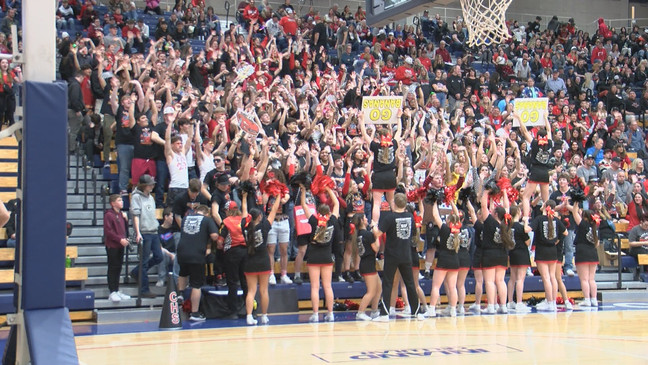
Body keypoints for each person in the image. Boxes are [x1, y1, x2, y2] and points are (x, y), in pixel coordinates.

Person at [372, 193, 424, 321]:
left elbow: (378, 233)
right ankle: (417, 311)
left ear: (394, 203)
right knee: (410, 283)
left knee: (388, 283)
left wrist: (373, 225)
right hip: (406, 255)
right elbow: (412, 234)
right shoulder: (410, 217)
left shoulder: (390, 217)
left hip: (392, 255)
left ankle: (384, 314)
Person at [300, 186, 339, 322]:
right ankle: (330, 313)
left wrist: (304, 191)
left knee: (315, 287)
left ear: (318, 212)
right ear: (328, 213)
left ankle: (315, 314)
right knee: (328, 286)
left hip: (314, 257)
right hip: (327, 257)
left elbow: (304, 205)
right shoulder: (333, 221)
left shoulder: (314, 221)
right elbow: (337, 204)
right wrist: (328, 190)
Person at [241, 191, 279, 325]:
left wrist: (244, 197)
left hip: (249, 262)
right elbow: (274, 211)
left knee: (251, 291)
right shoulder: (264, 226)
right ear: (259, 217)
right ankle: (264, 315)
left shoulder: (244, 227)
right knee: (264, 291)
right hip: (263, 262)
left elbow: (244, 211)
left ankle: (249, 316)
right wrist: (278, 195)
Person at [177, 204, 220, 321]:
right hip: (196, 254)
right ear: (207, 213)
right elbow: (215, 236)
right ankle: (194, 313)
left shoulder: (186, 218)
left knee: (183, 272)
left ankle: (180, 293)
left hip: (182, 252)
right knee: (196, 284)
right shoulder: (207, 220)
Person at [478, 188, 514, 314]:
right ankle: (503, 306)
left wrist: (486, 192)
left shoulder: (489, 222)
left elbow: (483, 205)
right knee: (500, 281)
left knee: (489, 281)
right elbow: (507, 208)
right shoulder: (506, 223)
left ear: (495, 214)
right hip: (502, 255)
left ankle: (491, 307)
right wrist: (504, 192)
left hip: (489, 254)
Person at [529, 200, 567, 311]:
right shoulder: (556, 219)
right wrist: (557, 240)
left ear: (545, 206)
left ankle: (549, 302)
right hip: (553, 251)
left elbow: (528, 229)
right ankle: (553, 303)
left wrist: (526, 222)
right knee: (552, 277)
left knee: (546, 278)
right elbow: (565, 233)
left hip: (542, 251)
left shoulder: (539, 219)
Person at [129, 174, 163, 298]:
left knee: (159, 257)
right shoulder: (136, 197)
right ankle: (144, 289)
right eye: (150, 184)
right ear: (144, 185)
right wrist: (137, 233)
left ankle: (136, 272)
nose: (152, 185)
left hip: (153, 231)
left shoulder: (151, 198)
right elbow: (135, 216)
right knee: (144, 261)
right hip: (144, 232)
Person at [426, 200, 461, 317]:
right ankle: (453, 309)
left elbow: (435, 215)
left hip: (443, 260)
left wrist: (434, 201)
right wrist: (451, 202)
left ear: (449, 221)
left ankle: (431, 309)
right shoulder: (458, 231)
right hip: (455, 261)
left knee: (436, 286)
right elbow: (457, 215)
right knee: (452, 287)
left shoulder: (445, 229)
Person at [352, 213, 381, 321]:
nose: (366, 219)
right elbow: (376, 248)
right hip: (368, 264)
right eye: (364, 217)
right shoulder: (367, 234)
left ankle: (374, 311)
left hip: (366, 263)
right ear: (361, 221)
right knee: (371, 291)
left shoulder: (359, 233)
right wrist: (376, 234)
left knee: (379, 287)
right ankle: (360, 313)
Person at [103, 194, 132, 302]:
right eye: (119, 200)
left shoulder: (121, 214)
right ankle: (112, 291)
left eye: (121, 200)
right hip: (113, 245)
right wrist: (119, 239)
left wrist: (126, 220)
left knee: (119, 267)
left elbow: (124, 229)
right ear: (113, 203)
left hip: (121, 245)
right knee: (113, 267)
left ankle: (117, 289)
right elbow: (108, 231)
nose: (122, 202)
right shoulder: (109, 215)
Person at [572, 203, 600, 307]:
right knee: (591, 279)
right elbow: (597, 243)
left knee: (584, 279)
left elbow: (574, 212)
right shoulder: (595, 227)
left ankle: (587, 300)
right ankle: (594, 300)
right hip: (593, 253)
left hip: (582, 252)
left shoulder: (583, 224)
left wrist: (575, 202)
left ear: (584, 217)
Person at [506, 206, 532, 312]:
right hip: (522, 253)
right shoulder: (520, 227)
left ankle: (510, 302)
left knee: (512, 278)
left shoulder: (508, 226)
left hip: (512, 253)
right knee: (520, 279)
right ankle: (519, 303)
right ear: (517, 212)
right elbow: (528, 242)